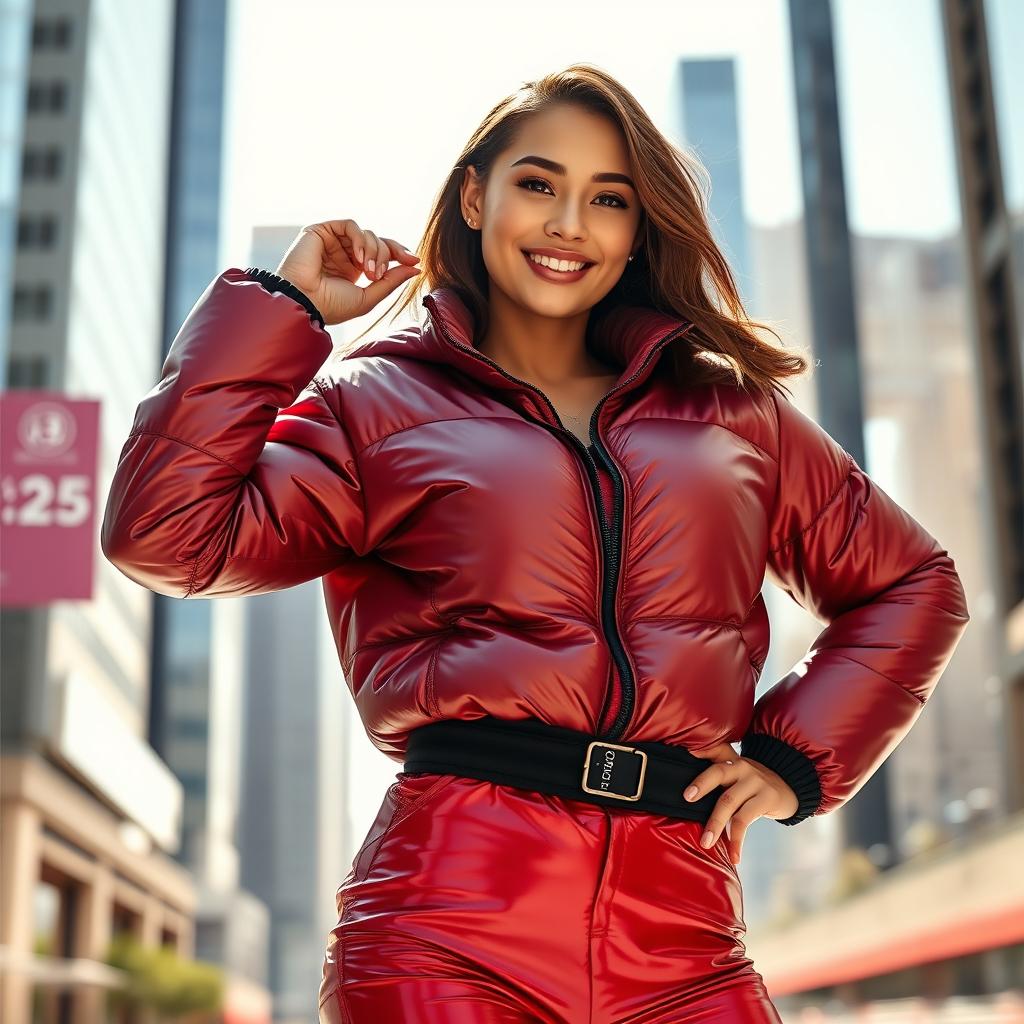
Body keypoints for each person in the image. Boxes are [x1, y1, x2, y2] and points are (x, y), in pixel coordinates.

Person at [101, 64, 970, 1024]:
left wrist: (794, 757)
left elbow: (915, 583)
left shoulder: (732, 413)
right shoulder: (379, 405)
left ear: (638, 230)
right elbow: (166, 536)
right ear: (476, 196)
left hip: (687, 936)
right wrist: (281, 309)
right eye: (538, 184)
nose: (568, 223)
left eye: (608, 199)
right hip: (444, 925)